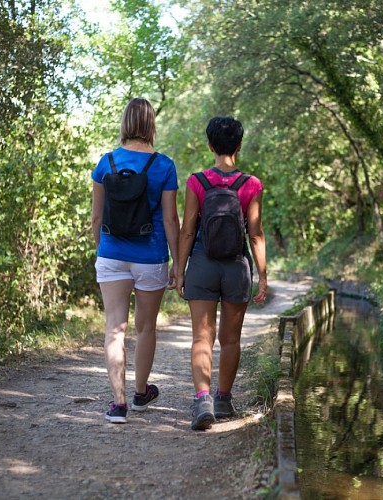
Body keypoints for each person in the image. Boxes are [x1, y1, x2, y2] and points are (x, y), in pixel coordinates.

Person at [176, 116, 268, 431]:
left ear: (210, 145)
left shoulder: (196, 182)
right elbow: (255, 234)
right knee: (230, 340)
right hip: (236, 267)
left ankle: (202, 400)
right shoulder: (251, 184)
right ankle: (223, 400)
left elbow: (188, 230)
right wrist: (263, 275)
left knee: (202, 337)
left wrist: (179, 269)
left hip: (202, 263)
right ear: (238, 146)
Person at [91, 97, 180, 423]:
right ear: (151, 125)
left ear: (126, 124)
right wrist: (178, 264)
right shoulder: (164, 165)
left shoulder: (106, 163)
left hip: (112, 255)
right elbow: (171, 221)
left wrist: (104, 253)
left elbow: (96, 219)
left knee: (114, 328)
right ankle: (141, 393)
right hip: (151, 257)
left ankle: (118, 404)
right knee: (145, 328)